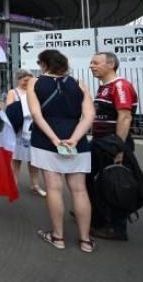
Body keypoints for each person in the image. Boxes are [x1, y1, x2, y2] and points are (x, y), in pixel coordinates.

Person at [27, 49, 95, 253]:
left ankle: (58, 237)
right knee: (80, 189)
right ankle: (85, 240)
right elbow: (89, 115)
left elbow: (36, 115)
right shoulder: (78, 83)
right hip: (77, 140)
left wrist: (54, 139)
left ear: (44, 64)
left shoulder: (35, 83)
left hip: (46, 139)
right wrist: (74, 139)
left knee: (53, 188)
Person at [88, 52, 140, 241]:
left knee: (115, 183)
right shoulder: (104, 87)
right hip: (100, 141)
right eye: (91, 63)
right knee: (93, 179)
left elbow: (125, 117)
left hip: (112, 142)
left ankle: (116, 228)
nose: (91, 66)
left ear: (111, 64)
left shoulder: (120, 85)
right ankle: (96, 215)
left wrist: (119, 148)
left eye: (95, 63)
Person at [6, 69, 46, 197]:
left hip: (32, 128)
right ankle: (13, 184)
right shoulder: (13, 92)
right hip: (18, 128)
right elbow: (9, 108)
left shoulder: (35, 92)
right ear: (19, 80)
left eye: (29, 80)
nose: (27, 83)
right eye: (24, 80)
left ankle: (35, 184)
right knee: (16, 159)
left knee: (33, 159)